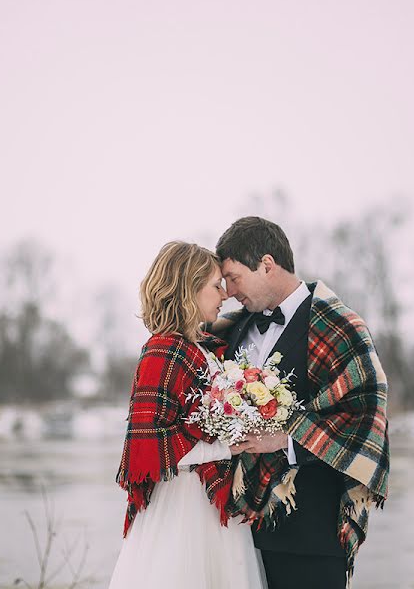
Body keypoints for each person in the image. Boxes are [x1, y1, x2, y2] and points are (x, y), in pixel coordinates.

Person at [211, 216, 390, 589]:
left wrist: (286, 439)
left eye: (233, 277)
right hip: (242, 532)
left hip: (313, 531)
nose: (228, 291)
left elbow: (365, 414)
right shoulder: (236, 327)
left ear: (266, 265)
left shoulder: (340, 325)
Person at [108, 241, 267, 589]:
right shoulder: (162, 351)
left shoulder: (201, 347)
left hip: (212, 500)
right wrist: (229, 447)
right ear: (188, 289)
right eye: (214, 285)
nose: (223, 294)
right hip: (183, 506)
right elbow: (148, 448)